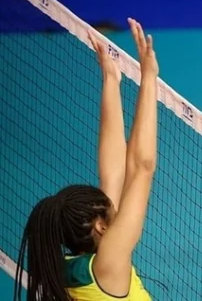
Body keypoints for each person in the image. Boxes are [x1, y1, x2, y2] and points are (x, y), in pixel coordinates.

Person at [14, 18, 159, 301]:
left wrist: (111, 80)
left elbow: (113, 171)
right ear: (101, 227)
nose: (116, 208)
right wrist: (149, 78)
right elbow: (142, 167)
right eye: (111, 210)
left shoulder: (66, 268)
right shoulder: (108, 264)